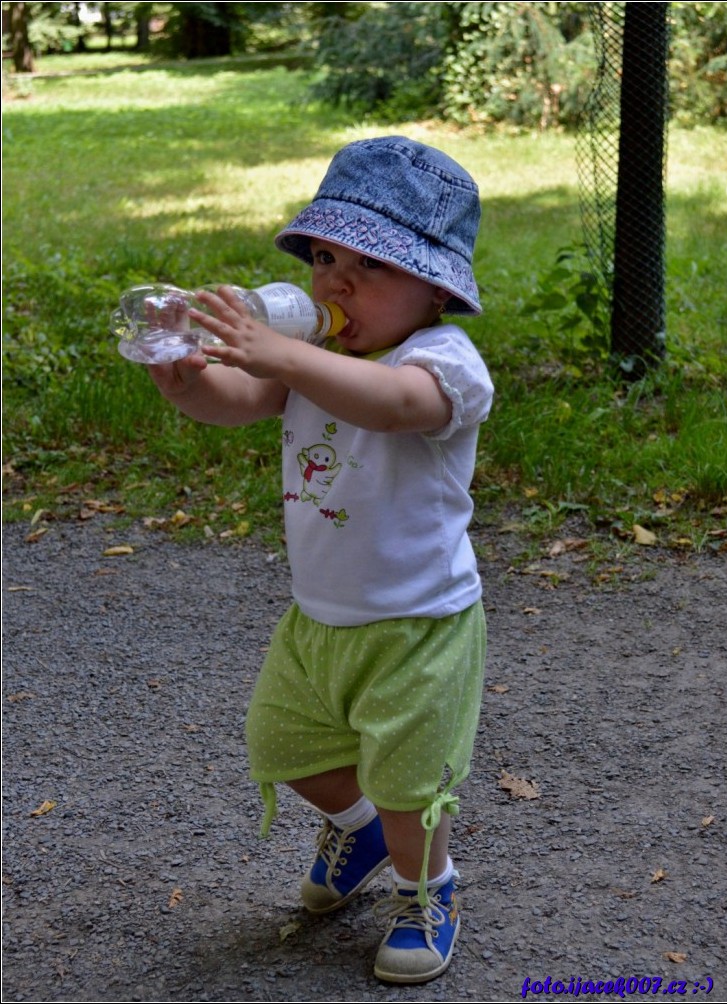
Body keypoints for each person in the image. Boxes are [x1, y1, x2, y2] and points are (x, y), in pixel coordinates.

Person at [148, 136, 494, 984]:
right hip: (321, 616)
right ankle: (359, 830)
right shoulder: (317, 361)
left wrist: (286, 354)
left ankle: (427, 889)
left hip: (419, 624)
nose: (335, 282)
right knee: (283, 742)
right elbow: (235, 402)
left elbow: (394, 407)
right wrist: (184, 374)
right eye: (325, 257)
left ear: (437, 285)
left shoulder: (442, 364)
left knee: (413, 785)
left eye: (369, 266)